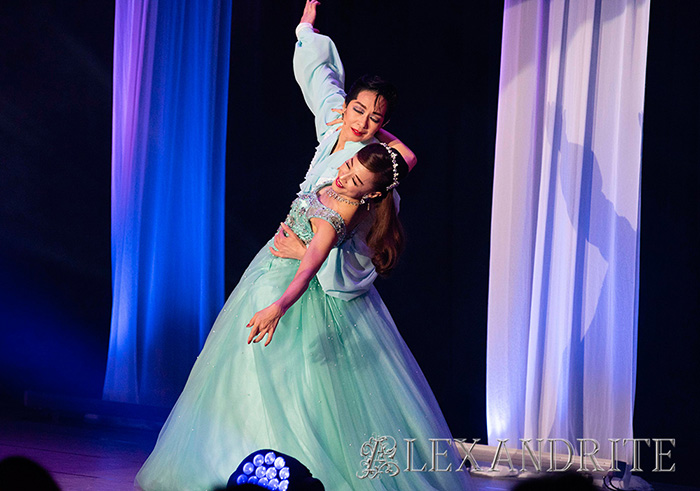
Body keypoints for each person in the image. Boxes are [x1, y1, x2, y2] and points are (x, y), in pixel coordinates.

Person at [271, 0, 417, 302]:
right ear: (346, 105)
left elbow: (408, 159)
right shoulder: (334, 120)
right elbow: (321, 77)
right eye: (358, 110)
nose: (361, 123)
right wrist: (305, 29)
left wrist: (303, 253)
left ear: (384, 123)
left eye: (374, 118)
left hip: (323, 272)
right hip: (285, 255)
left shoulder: (368, 160)